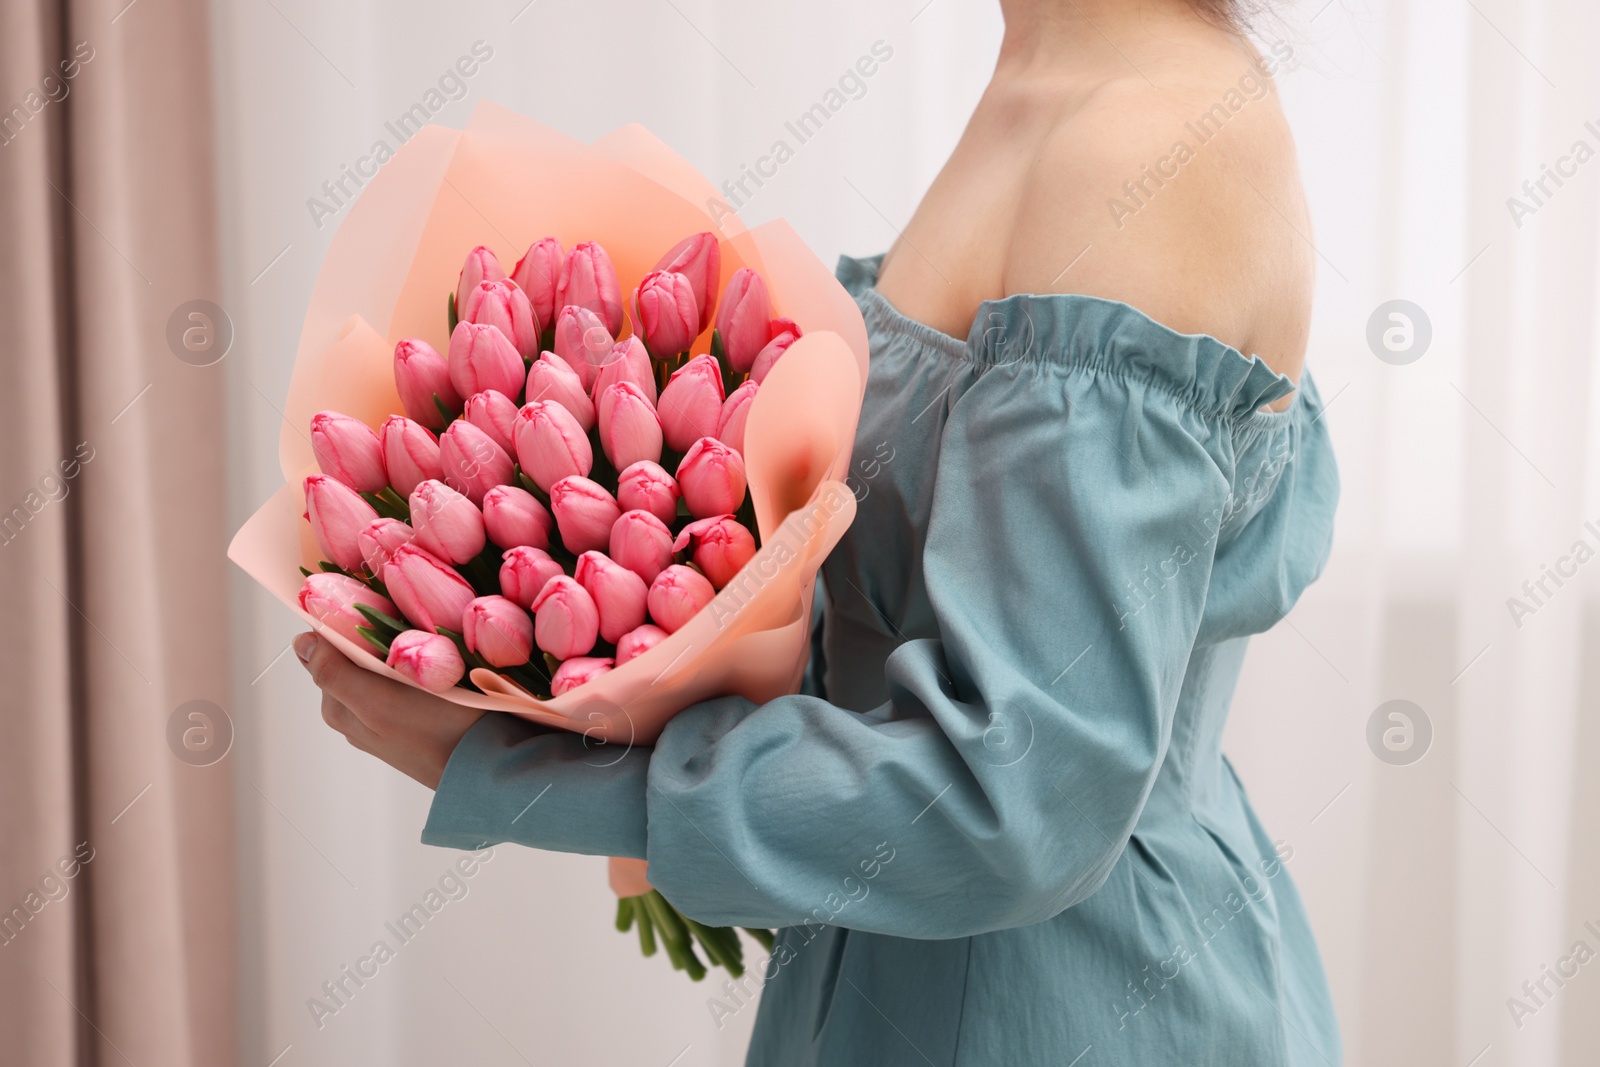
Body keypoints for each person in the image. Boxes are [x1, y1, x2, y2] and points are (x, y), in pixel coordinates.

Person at [294, 0, 1342, 1061]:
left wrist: (527, 771)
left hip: (1067, 1002)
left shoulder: (1148, 139)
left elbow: (1019, 802)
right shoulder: (1048, 74)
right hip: (896, 971)